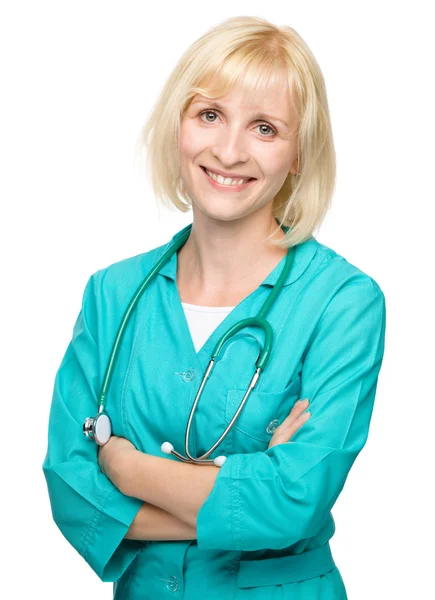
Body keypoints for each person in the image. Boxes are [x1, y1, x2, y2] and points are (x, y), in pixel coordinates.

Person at [42, 15, 387, 600]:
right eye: (209, 115)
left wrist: (129, 472)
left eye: (264, 128)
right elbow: (72, 494)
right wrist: (238, 491)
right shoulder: (112, 293)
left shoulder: (343, 304)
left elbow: (294, 505)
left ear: (299, 153)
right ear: (178, 125)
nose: (229, 150)